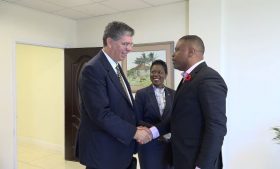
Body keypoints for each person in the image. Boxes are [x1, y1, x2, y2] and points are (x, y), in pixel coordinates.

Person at [76, 21, 152, 169]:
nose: (129, 49)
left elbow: (124, 108)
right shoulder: (92, 69)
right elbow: (101, 114)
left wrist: (142, 127)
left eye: (131, 44)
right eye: (125, 44)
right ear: (110, 42)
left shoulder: (115, 66)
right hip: (103, 154)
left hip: (119, 150)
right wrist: (134, 132)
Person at [151, 35, 228, 169]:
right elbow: (178, 118)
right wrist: (152, 132)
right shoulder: (189, 78)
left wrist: (202, 166)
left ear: (191, 52)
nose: (173, 55)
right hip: (183, 159)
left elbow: (216, 127)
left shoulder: (208, 78)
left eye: (178, 50)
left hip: (197, 163)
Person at [135, 60, 175, 169]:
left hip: (170, 147)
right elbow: (137, 120)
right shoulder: (141, 94)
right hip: (149, 146)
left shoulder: (174, 94)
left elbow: (176, 119)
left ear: (165, 74)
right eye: (153, 72)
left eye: (159, 72)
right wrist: (158, 132)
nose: (156, 75)